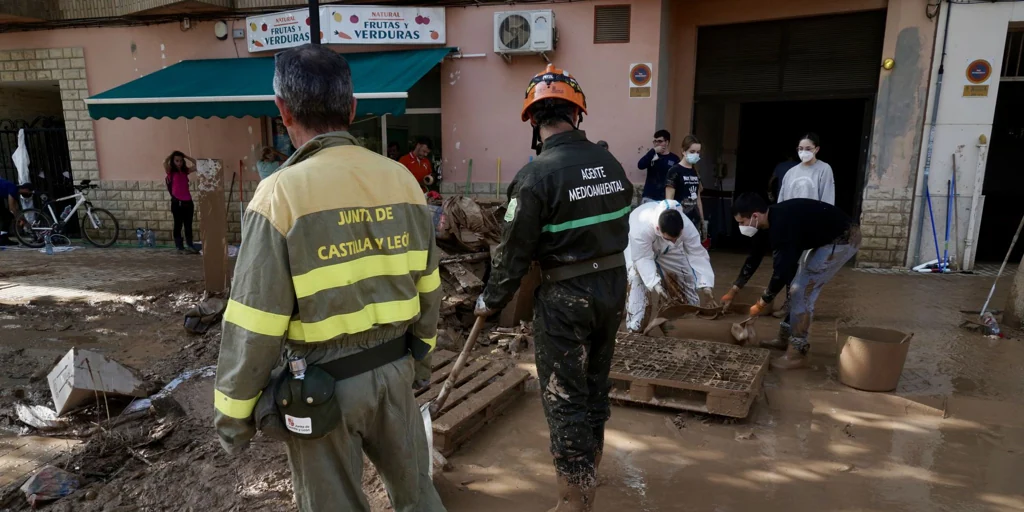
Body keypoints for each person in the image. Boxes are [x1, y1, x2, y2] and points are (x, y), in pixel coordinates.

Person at [213, 45, 445, 512]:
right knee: (418, 498)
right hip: (396, 372)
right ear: (353, 109)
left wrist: (234, 417)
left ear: (282, 110)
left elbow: (255, 322)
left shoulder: (279, 195)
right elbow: (429, 288)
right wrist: (418, 361)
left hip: (321, 390)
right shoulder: (402, 181)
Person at [475, 63, 632, 511]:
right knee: (593, 386)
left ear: (532, 120)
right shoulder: (610, 162)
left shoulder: (534, 177)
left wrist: (491, 299)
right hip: (612, 287)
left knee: (564, 397)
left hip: (566, 296)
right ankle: (590, 472)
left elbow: (513, 253)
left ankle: (575, 500)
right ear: (577, 115)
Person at [723, 193, 860, 370]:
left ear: (755, 216)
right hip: (824, 236)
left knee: (800, 291)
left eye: (742, 222)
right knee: (795, 282)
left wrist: (761, 304)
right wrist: (734, 290)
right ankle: (784, 337)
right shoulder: (764, 224)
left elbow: (781, 272)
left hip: (844, 238)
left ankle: (797, 352)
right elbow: (754, 257)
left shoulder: (782, 226)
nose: (740, 227)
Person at [624, 199, 715, 333]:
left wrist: (706, 285)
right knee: (636, 281)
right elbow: (643, 259)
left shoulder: (685, 226)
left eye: (676, 238)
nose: (674, 241)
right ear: (658, 229)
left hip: (667, 249)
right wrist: (656, 285)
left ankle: (677, 322)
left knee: (686, 287)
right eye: (670, 239)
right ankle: (635, 328)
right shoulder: (640, 229)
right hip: (638, 251)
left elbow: (697, 254)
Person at [665, 134, 706, 238]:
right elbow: (669, 200)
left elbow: (698, 199)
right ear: (683, 151)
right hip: (680, 220)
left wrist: (702, 220)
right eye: (692, 152)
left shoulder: (695, 172)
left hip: (694, 220)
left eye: (698, 152)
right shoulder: (674, 171)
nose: (695, 155)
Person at [777, 133, 835, 205]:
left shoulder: (824, 169)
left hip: (812, 215)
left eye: (808, 149)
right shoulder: (790, 172)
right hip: (790, 215)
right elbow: (781, 200)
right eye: (800, 148)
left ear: (816, 149)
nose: (803, 152)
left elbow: (827, 199)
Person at [163, 151, 199, 253]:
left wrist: (186, 156)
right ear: (173, 161)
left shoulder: (185, 171)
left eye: (181, 161)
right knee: (178, 224)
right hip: (177, 202)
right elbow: (164, 162)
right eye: (176, 161)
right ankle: (179, 246)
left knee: (188, 225)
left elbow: (198, 165)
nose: (179, 163)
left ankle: (190, 245)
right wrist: (172, 154)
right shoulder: (170, 172)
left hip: (188, 202)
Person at [636, 130, 679, 203]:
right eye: (655, 141)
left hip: (665, 198)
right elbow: (640, 165)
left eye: (660, 141)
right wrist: (653, 151)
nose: (656, 144)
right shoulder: (652, 155)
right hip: (649, 197)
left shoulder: (674, 158)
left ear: (667, 142)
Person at [0, 179, 32, 246]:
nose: (29, 194)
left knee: (7, 215)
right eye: (29, 192)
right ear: (26, 189)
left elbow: (16, 209)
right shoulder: (13, 188)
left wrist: (22, 220)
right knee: (7, 215)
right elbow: (12, 208)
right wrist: (24, 222)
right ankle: (3, 238)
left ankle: (3, 238)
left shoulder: (15, 191)